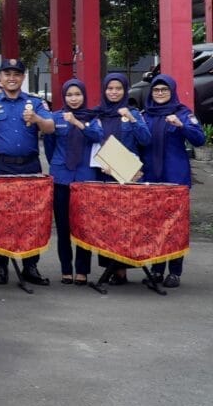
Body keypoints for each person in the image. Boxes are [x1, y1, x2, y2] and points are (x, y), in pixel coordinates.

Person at [0, 58, 55, 285]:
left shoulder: (35, 102)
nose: (11, 78)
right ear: (0, 77)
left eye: (16, 74)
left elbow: (50, 128)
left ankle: (30, 266)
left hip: (30, 165)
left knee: (31, 217)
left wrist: (37, 119)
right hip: (1, 165)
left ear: (23, 78)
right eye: (7, 74)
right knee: (1, 217)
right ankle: (0, 266)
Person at [84, 73, 151, 285]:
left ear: (125, 91)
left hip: (127, 176)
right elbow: (92, 139)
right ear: (104, 91)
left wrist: (131, 119)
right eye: (110, 88)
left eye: (118, 89)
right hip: (103, 174)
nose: (114, 92)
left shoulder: (133, 113)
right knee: (106, 223)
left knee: (126, 223)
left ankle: (123, 269)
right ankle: (110, 268)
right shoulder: (97, 114)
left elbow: (146, 140)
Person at [140, 75, 205, 288]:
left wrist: (181, 126)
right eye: (156, 90)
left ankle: (175, 271)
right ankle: (157, 270)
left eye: (164, 90)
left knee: (175, 226)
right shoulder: (144, 116)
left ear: (172, 91)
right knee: (156, 225)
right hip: (151, 179)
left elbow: (199, 139)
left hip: (175, 178)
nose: (159, 93)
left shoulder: (183, 114)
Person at [44, 80, 98, 285]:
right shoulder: (55, 117)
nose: (73, 99)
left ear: (84, 96)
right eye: (69, 95)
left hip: (85, 178)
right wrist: (58, 165)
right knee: (64, 225)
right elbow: (49, 145)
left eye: (77, 94)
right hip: (61, 177)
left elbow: (97, 136)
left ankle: (82, 270)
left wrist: (77, 122)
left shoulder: (92, 118)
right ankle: (66, 269)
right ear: (64, 97)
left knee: (84, 226)